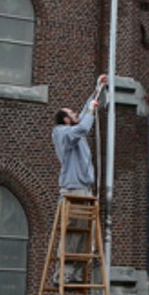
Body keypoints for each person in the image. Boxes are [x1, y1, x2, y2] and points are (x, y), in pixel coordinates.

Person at [51, 74, 106, 284]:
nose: (75, 114)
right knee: (73, 231)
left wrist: (97, 90)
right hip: (73, 189)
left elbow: (83, 117)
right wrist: (91, 109)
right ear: (65, 119)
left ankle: (74, 273)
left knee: (84, 232)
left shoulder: (74, 131)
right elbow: (83, 124)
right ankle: (62, 274)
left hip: (84, 189)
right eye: (71, 113)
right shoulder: (62, 133)